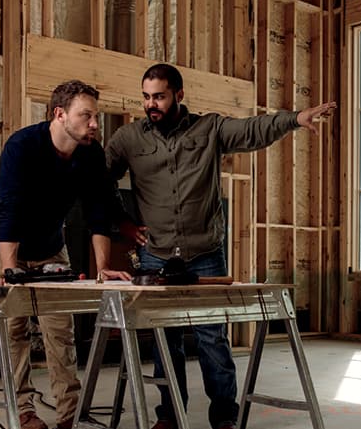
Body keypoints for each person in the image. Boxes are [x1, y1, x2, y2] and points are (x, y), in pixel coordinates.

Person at [102, 63, 335, 429]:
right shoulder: (128, 139)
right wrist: (124, 223)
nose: (152, 104)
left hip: (205, 254)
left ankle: (224, 416)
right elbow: (100, 184)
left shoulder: (208, 128)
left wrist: (295, 118)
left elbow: (251, 130)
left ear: (179, 95)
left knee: (213, 339)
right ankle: (169, 416)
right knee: (166, 342)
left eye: (159, 96)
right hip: (156, 254)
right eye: (146, 97)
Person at [0, 80, 133, 429]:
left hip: (49, 245)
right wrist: (10, 271)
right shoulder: (22, 146)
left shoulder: (91, 153)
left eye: (96, 116)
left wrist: (104, 267)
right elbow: (9, 210)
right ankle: (25, 411)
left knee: (58, 330)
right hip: (2, 243)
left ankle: (69, 414)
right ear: (59, 114)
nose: (95, 124)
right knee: (15, 329)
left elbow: (98, 213)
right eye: (86, 116)